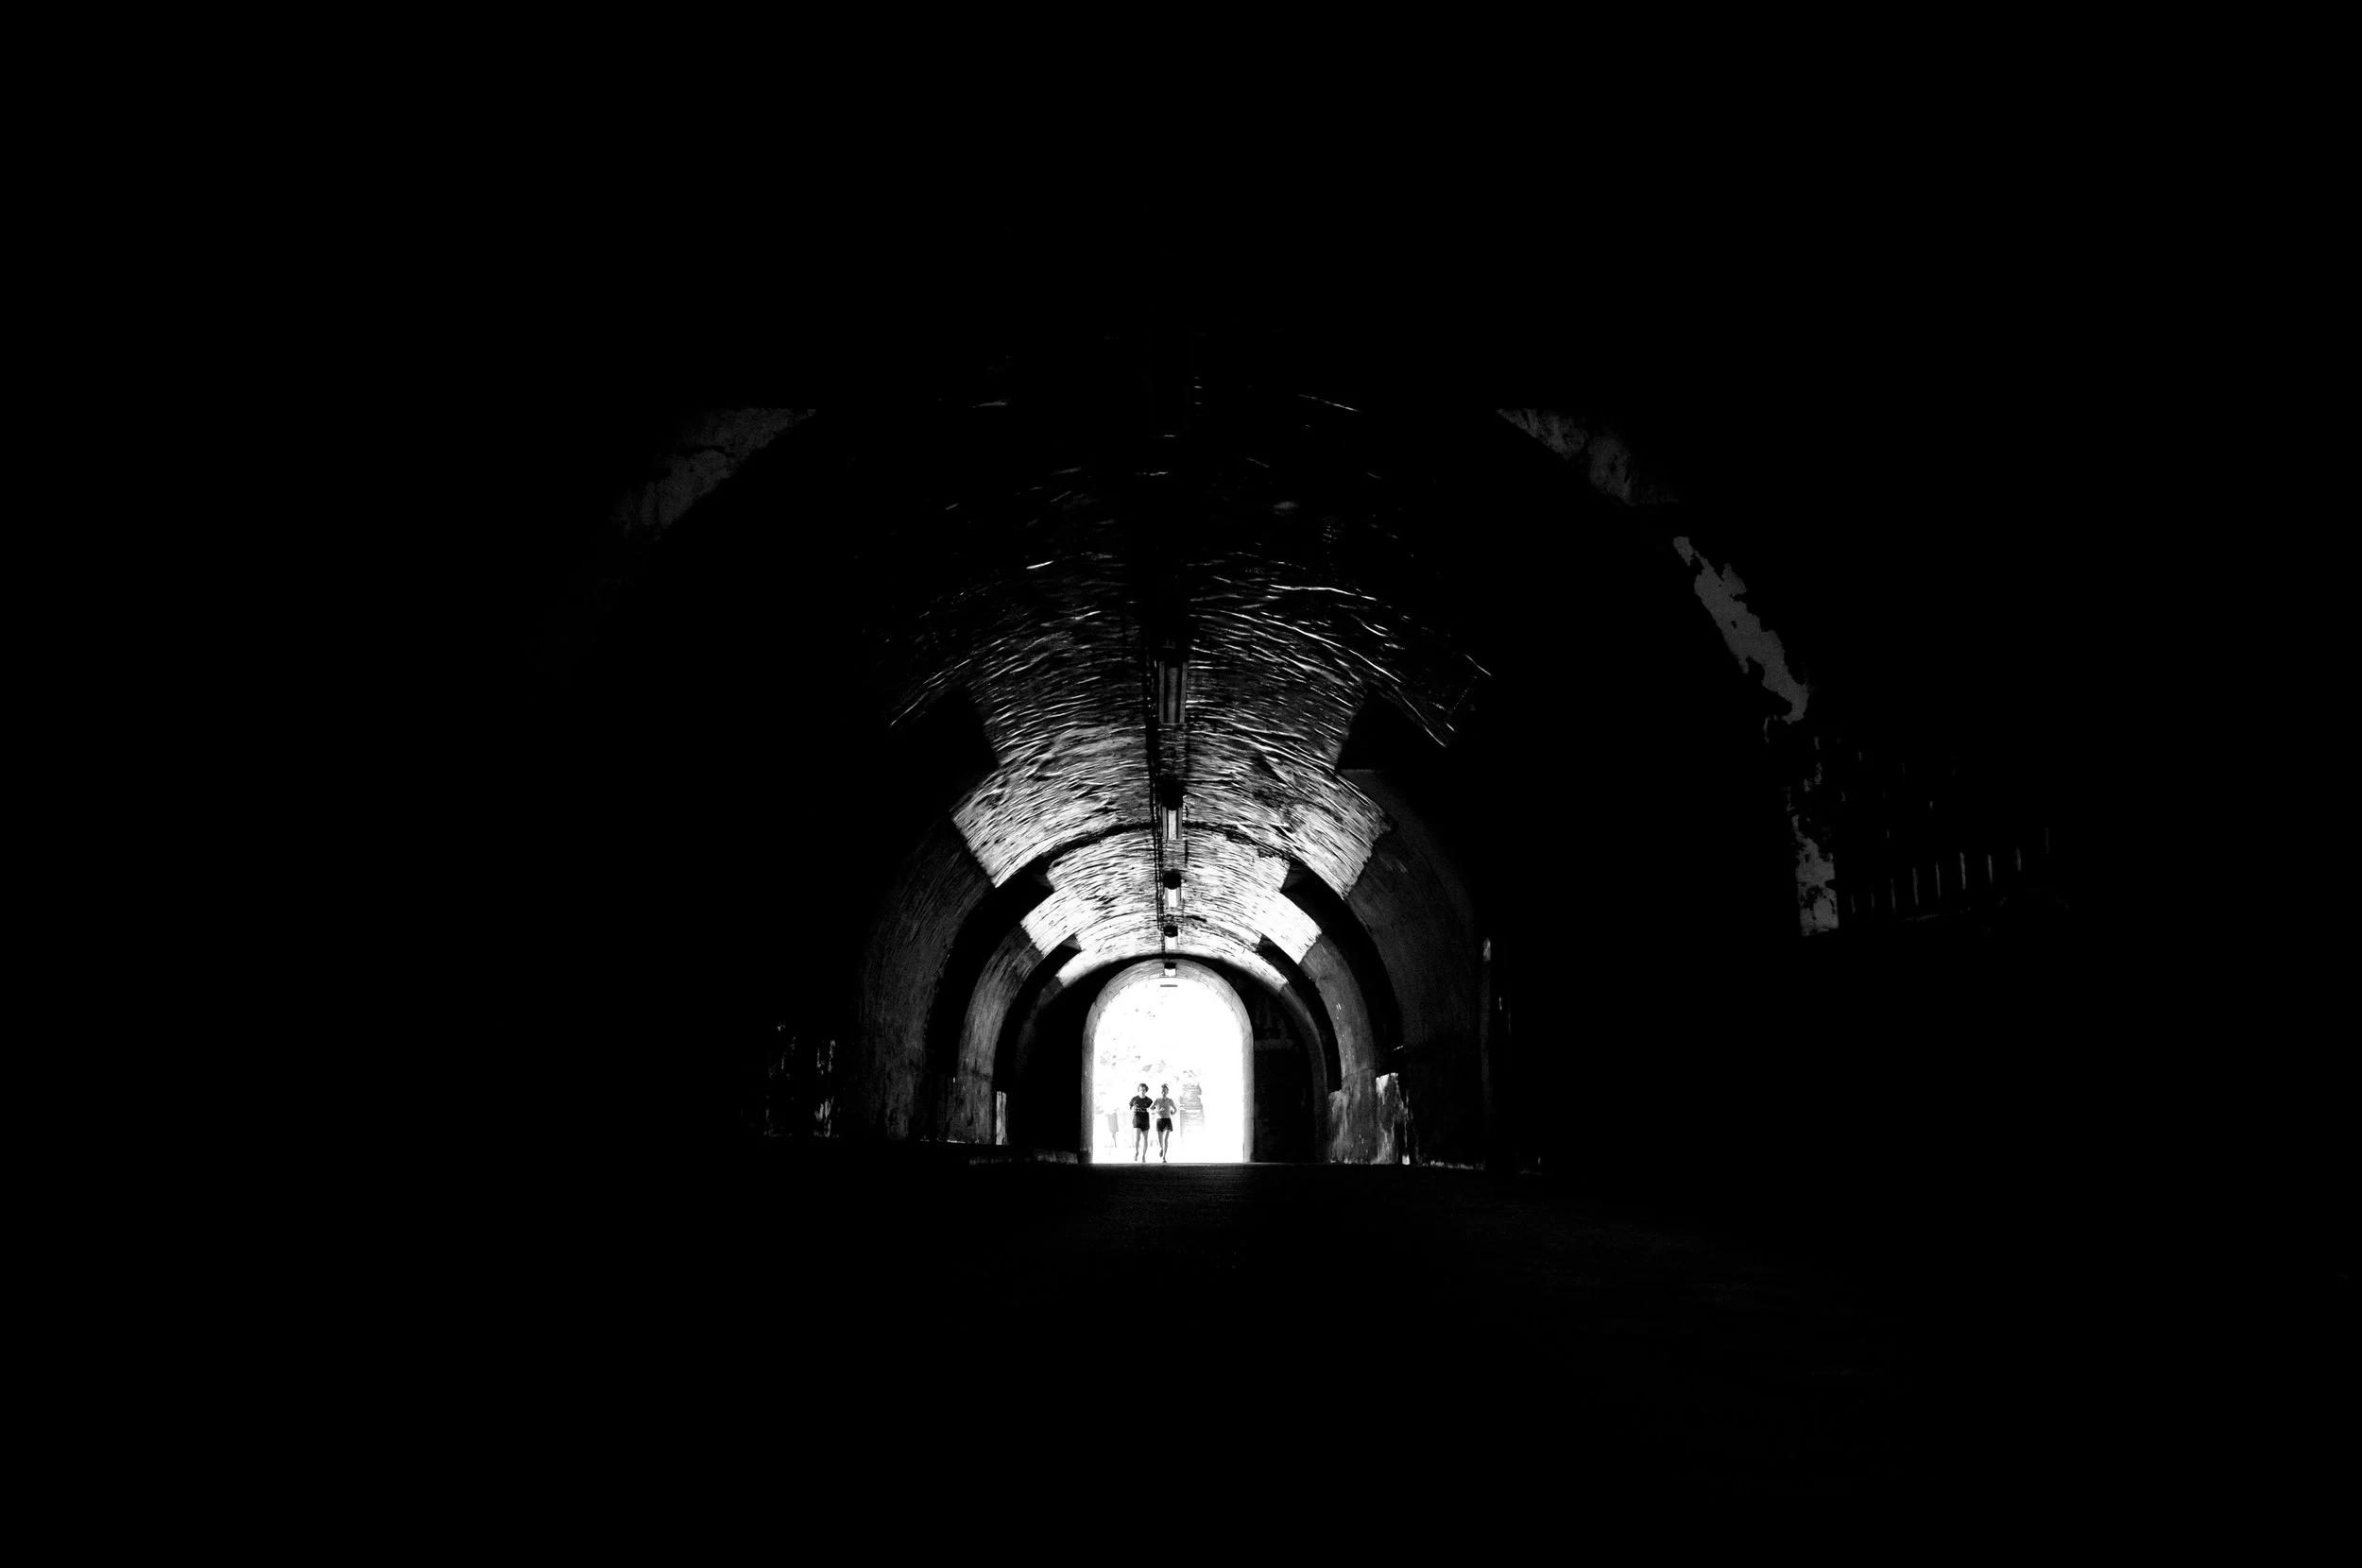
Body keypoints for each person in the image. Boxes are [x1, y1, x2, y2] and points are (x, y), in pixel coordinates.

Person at [1152, 1082, 1178, 1162]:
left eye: (1165, 1091)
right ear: (1161, 1092)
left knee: (1166, 1139)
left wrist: (1173, 1112)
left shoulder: (1170, 1101)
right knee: (1160, 1139)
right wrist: (1158, 1110)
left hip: (1167, 1120)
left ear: (1167, 1092)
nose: (1163, 1092)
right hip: (1159, 1120)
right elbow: (1151, 1109)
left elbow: (1175, 1109)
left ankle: (1164, 1157)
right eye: (1162, 1091)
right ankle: (1161, 1148)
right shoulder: (1157, 1100)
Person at [1177, 1076, 1205, 1150]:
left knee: (1195, 1131)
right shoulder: (1188, 1087)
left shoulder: (1186, 1087)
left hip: (1192, 1109)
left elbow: (1199, 1092)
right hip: (1190, 1109)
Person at [1130, 1082, 1155, 1162]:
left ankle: (1144, 1156)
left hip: (1145, 1121)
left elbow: (1153, 1110)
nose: (1142, 1091)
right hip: (1136, 1121)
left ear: (1146, 1091)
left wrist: (1152, 1111)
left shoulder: (1149, 1100)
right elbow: (1130, 1108)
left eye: (1144, 1090)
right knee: (1137, 1138)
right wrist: (1132, 1110)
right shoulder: (1134, 1099)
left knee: (1145, 1139)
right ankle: (1136, 1151)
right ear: (1138, 1090)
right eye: (1141, 1090)